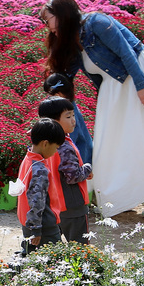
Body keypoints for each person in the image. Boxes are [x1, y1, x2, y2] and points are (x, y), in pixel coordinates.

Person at [39, 0, 144, 219]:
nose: (46, 26)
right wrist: (55, 95)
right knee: (113, 141)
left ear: (62, 14)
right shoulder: (72, 39)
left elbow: (126, 51)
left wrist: (141, 85)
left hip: (138, 77)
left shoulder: (96, 22)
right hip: (116, 85)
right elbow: (66, 76)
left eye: (48, 19)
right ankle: (120, 198)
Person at [38, 97, 93, 245]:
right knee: (80, 248)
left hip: (52, 204)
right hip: (72, 205)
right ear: (53, 121)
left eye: (73, 115)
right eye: (68, 116)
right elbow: (72, 176)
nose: (73, 120)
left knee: (50, 246)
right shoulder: (65, 146)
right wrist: (87, 168)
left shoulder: (40, 143)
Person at [14, 119, 65, 255]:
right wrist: (36, 228)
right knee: (55, 262)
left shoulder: (28, 159)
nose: (55, 152)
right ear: (45, 143)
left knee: (32, 258)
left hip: (27, 221)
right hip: (43, 226)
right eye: (55, 147)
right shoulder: (40, 169)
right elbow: (36, 200)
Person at [44, 72, 92, 165]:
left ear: (58, 95)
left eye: (50, 95)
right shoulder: (69, 106)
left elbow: (71, 139)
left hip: (78, 160)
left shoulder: (67, 113)